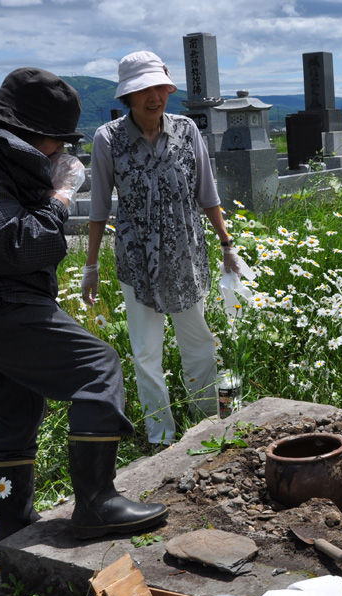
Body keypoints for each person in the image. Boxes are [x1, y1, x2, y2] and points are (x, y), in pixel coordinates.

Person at [0, 67, 167, 543]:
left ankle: (12, 522)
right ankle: (97, 503)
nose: (59, 153)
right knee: (95, 366)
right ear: (29, 133)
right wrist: (61, 196)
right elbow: (19, 245)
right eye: (56, 143)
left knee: (18, 403)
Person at [86, 50, 241, 445]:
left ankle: (207, 420)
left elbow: (207, 192)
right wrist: (91, 265)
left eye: (160, 87)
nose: (153, 97)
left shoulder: (187, 131)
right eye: (143, 90)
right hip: (137, 261)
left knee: (200, 341)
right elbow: (100, 205)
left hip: (185, 255)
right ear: (127, 97)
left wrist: (227, 244)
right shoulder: (108, 139)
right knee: (146, 352)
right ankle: (161, 436)